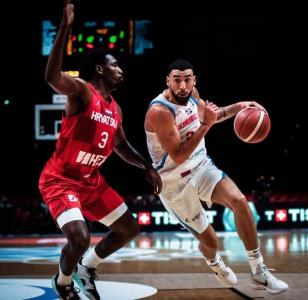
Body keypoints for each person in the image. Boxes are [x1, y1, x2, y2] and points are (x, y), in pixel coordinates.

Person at [39, 1, 162, 299]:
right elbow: (51, 77)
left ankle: (87, 267)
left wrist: (145, 166)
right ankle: (64, 282)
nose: (120, 70)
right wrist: (65, 28)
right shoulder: (82, 91)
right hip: (61, 178)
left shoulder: (115, 108)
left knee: (129, 229)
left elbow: (120, 146)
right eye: (114, 64)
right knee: (79, 238)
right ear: (99, 69)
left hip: (91, 180)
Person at [144, 59, 288, 294]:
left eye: (187, 79)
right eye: (177, 79)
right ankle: (214, 263)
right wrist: (205, 126)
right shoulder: (159, 111)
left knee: (240, 202)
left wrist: (238, 107)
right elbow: (179, 155)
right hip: (174, 184)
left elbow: (214, 114)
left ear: (194, 81)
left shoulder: (192, 95)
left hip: (201, 166)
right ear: (167, 81)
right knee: (210, 242)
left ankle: (259, 271)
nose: (182, 85)